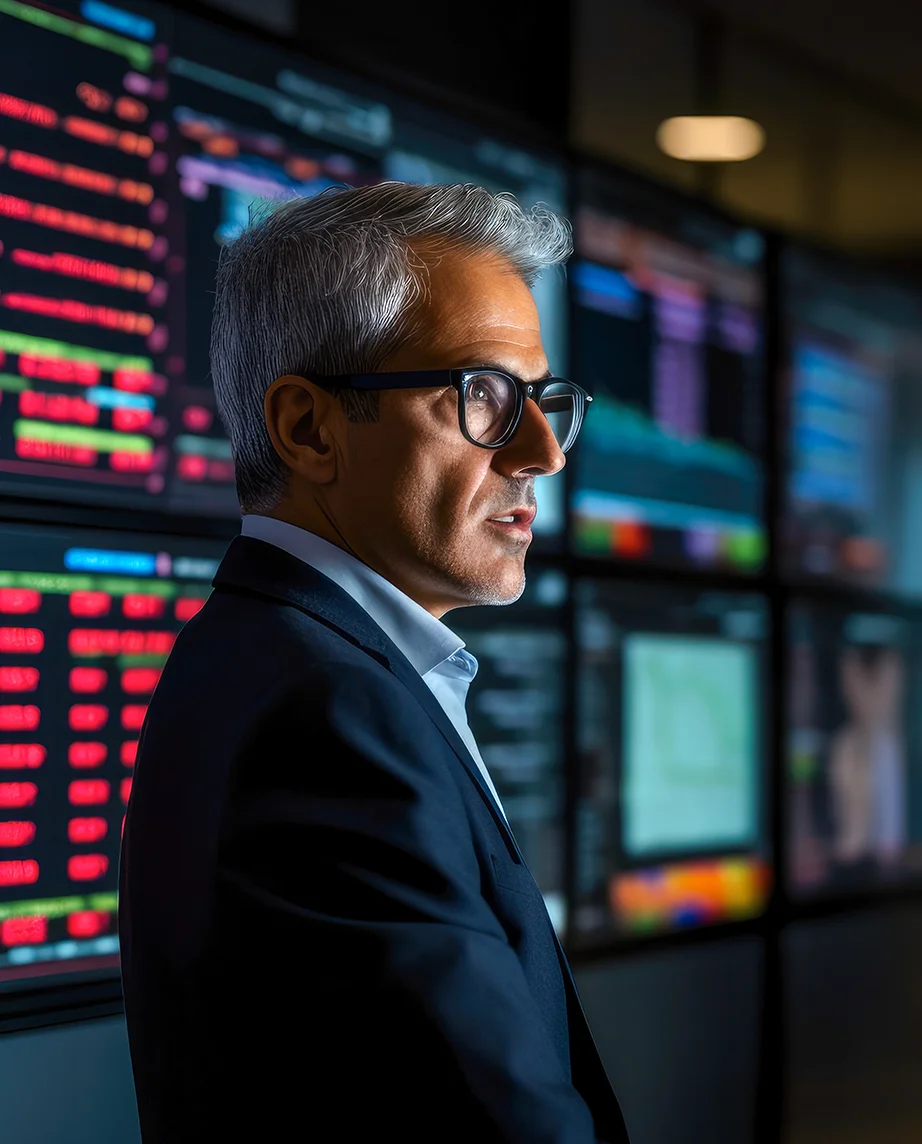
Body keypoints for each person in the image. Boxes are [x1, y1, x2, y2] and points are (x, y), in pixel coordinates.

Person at [119, 182, 629, 1143]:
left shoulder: (280, 660)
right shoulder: (322, 712)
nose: (544, 453)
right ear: (309, 428)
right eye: (484, 396)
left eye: (545, 400)